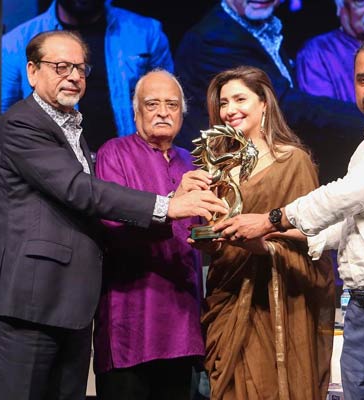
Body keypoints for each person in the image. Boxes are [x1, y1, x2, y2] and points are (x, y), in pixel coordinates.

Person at [215, 36, 364, 399]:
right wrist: (271, 237)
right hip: (363, 311)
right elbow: (346, 227)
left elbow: (344, 196)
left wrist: (269, 220)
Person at [0, 31, 227, 400]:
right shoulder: (23, 124)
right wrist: (167, 205)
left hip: (74, 304)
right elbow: (79, 190)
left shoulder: (74, 130)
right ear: (31, 72)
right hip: (33, 302)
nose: (73, 76)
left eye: (80, 68)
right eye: (61, 66)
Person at [189, 66, 335, 400]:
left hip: (277, 299)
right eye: (223, 102)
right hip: (227, 296)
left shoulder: (292, 161)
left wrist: (263, 244)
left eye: (240, 98)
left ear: (264, 103)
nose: (229, 110)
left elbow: (312, 237)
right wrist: (211, 238)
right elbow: (219, 243)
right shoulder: (219, 167)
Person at [92, 70, 206, 400]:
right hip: (132, 318)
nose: (162, 112)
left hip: (182, 322)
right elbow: (111, 227)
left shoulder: (192, 161)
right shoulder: (114, 153)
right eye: (152, 103)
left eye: (172, 104)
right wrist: (172, 205)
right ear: (136, 111)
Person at [174, 0, 364, 185]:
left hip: (261, 159)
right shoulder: (214, 38)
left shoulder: (261, 26)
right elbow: (284, 104)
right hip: (228, 176)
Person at [1, 0, 173, 151]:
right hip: (55, 165)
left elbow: (168, 102)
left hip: (131, 164)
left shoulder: (146, 33)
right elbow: (6, 117)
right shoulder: (17, 43)